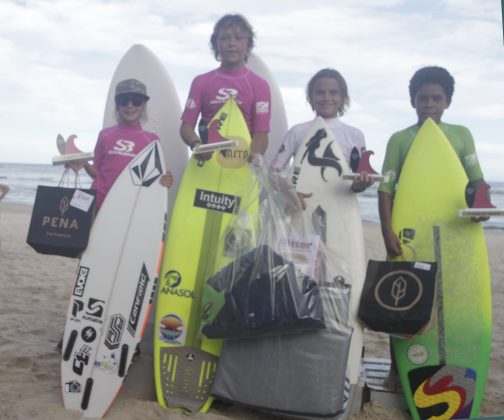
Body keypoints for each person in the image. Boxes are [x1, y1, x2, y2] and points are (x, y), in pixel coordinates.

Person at [378, 66, 489, 259]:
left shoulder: (462, 135)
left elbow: (477, 180)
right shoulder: (399, 139)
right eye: (423, 98)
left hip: (454, 224)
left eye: (437, 98)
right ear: (413, 102)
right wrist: (386, 231)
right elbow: (386, 188)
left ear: (448, 102)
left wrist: (483, 206)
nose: (429, 104)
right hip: (411, 223)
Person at [271, 68, 374, 206]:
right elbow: (273, 172)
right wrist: (289, 192)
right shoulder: (297, 131)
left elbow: (356, 181)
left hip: (340, 209)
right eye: (320, 93)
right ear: (311, 97)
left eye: (333, 93)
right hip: (303, 207)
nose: (326, 98)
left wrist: (361, 184)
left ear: (343, 97)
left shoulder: (354, 135)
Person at [180, 13, 271, 161]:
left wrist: (254, 156)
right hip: (206, 162)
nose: (231, 43)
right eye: (224, 38)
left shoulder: (259, 85)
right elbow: (186, 127)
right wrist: (196, 144)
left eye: (238, 37)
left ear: (248, 43)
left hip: (242, 165)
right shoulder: (201, 82)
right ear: (215, 43)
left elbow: (261, 135)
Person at [80, 78, 173, 210]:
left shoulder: (152, 140)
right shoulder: (104, 135)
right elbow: (97, 173)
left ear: (143, 107)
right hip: (99, 205)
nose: (130, 105)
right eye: (124, 101)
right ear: (117, 105)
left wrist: (165, 181)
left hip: (129, 211)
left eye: (136, 101)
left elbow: (153, 180)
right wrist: (83, 162)